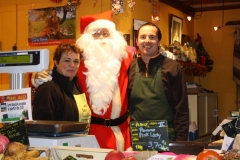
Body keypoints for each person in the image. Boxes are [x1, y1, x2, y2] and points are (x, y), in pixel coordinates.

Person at [31, 10, 133, 151]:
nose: (102, 38)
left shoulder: (125, 58)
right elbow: (59, 73)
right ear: (87, 38)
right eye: (96, 34)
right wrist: (39, 76)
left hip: (122, 131)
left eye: (106, 33)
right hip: (88, 132)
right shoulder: (80, 61)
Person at [128, 22, 189, 141]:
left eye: (152, 37)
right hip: (137, 139)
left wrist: (180, 142)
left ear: (159, 41)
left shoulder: (173, 68)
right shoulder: (129, 67)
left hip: (167, 139)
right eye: (143, 37)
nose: (147, 41)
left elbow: (181, 109)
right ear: (137, 41)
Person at [32, 43, 91, 128]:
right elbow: (43, 127)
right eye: (67, 60)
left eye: (76, 61)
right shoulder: (48, 89)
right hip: (59, 141)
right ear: (56, 62)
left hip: (78, 139)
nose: (72, 65)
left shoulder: (75, 87)